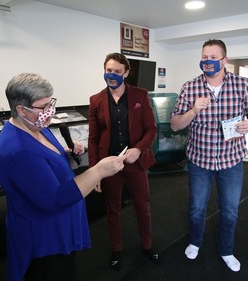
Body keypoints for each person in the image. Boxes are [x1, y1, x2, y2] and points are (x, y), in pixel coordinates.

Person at [0, 73, 125, 281]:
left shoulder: (35, 126)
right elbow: (54, 198)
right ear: (21, 110)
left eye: (51, 103)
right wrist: (98, 170)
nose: (50, 112)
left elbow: (42, 157)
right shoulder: (17, 149)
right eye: (43, 107)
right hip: (43, 238)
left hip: (57, 227)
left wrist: (61, 154)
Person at [170, 39, 248, 272]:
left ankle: (226, 250)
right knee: (196, 209)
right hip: (199, 160)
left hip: (231, 160)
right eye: (205, 57)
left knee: (230, 210)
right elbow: (174, 125)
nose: (208, 61)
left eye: (214, 57)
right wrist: (193, 110)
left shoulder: (242, 85)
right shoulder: (190, 87)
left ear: (224, 60)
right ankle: (195, 242)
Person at [88, 52, 159, 271]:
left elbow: (151, 129)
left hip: (135, 164)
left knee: (142, 207)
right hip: (109, 165)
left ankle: (147, 245)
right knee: (113, 209)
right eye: (108, 70)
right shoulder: (96, 100)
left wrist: (138, 149)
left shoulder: (140, 95)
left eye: (117, 71)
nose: (112, 75)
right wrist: (94, 172)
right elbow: (94, 138)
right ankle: (116, 249)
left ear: (126, 73)